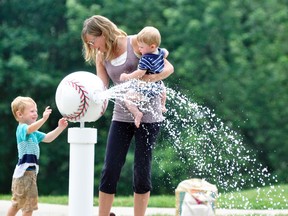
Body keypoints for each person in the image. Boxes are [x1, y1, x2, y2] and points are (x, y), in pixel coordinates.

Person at [81, 15, 174, 216]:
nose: (93, 46)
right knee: (110, 168)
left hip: (149, 116)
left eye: (92, 41)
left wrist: (150, 79)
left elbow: (168, 67)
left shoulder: (135, 43)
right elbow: (102, 87)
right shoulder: (102, 57)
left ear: (103, 33)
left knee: (141, 170)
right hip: (121, 115)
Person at [6, 96, 68, 216]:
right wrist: (44, 119)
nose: (36, 114)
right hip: (24, 174)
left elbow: (48, 138)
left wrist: (60, 128)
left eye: (36, 111)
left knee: (22, 205)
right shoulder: (22, 128)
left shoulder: (34, 133)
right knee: (23, 206)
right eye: (32, 111)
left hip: (30, 175)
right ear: (20, 115)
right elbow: (30, 128)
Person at [119, 26, 168, 128]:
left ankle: (137, 113)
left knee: (127, 98)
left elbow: (140, 73)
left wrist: (127, 76)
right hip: (158, 86)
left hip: (145, 88)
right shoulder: (160, 52)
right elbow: (166, 52)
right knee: (163, 89)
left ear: (152, 46)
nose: (139, 49)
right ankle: (163, 105)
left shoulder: (145, 59)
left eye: (141, 47)